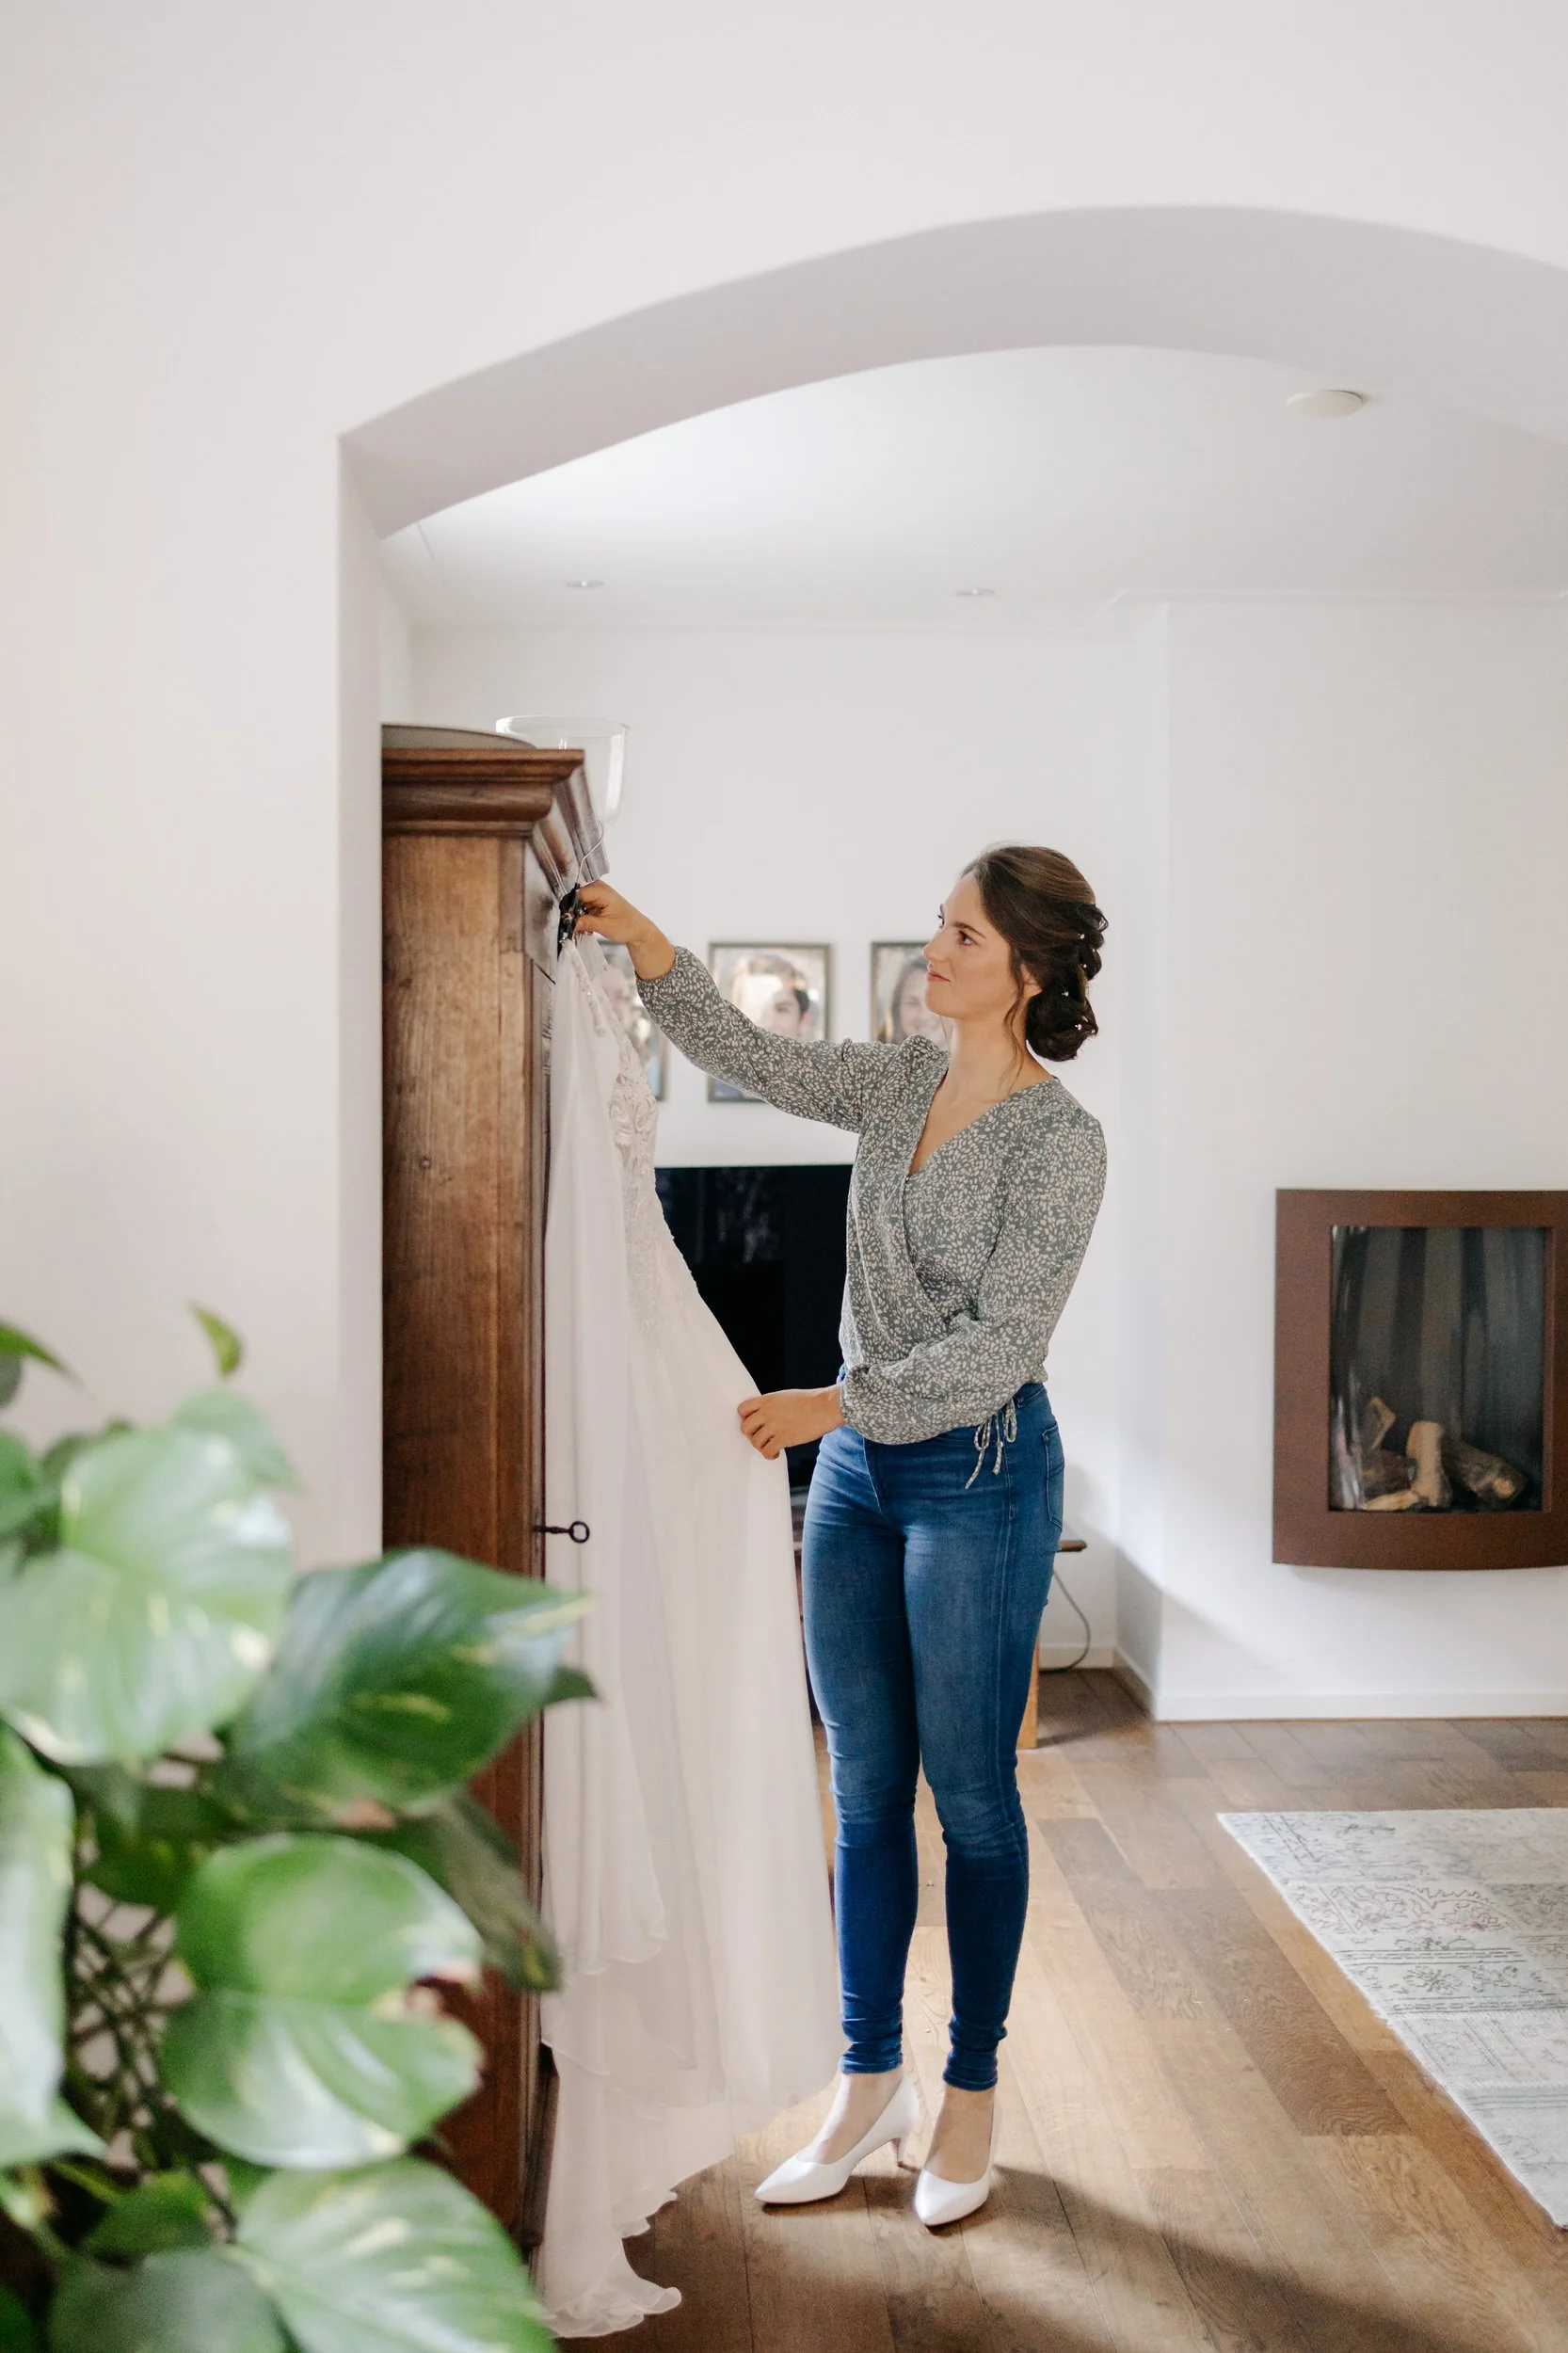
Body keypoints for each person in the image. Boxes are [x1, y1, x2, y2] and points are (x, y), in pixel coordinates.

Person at [575, 845, 1106, 2230]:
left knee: (971, 1800)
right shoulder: (890, 1081)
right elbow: (741, 1048)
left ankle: (970, 2094)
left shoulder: (1060, 1141)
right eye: (937, 927)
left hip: (979, 1479)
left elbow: (1006, 1343)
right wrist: (645, 942)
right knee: (863, 1796)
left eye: (962, 938)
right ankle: (864, 2083)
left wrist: (830, 1403)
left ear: (1027, 973)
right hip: (862, 1482)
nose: (933, 951)